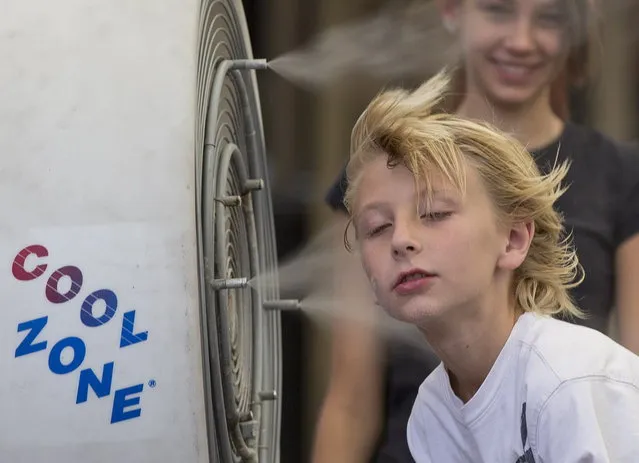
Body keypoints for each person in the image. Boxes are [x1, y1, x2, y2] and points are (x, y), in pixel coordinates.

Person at [312, 0, 639, 461]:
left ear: (515, 238)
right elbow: (349, 401)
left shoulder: (571, 384)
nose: (403, 238)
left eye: (436, 213)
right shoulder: (432, 412)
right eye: (378, 227)